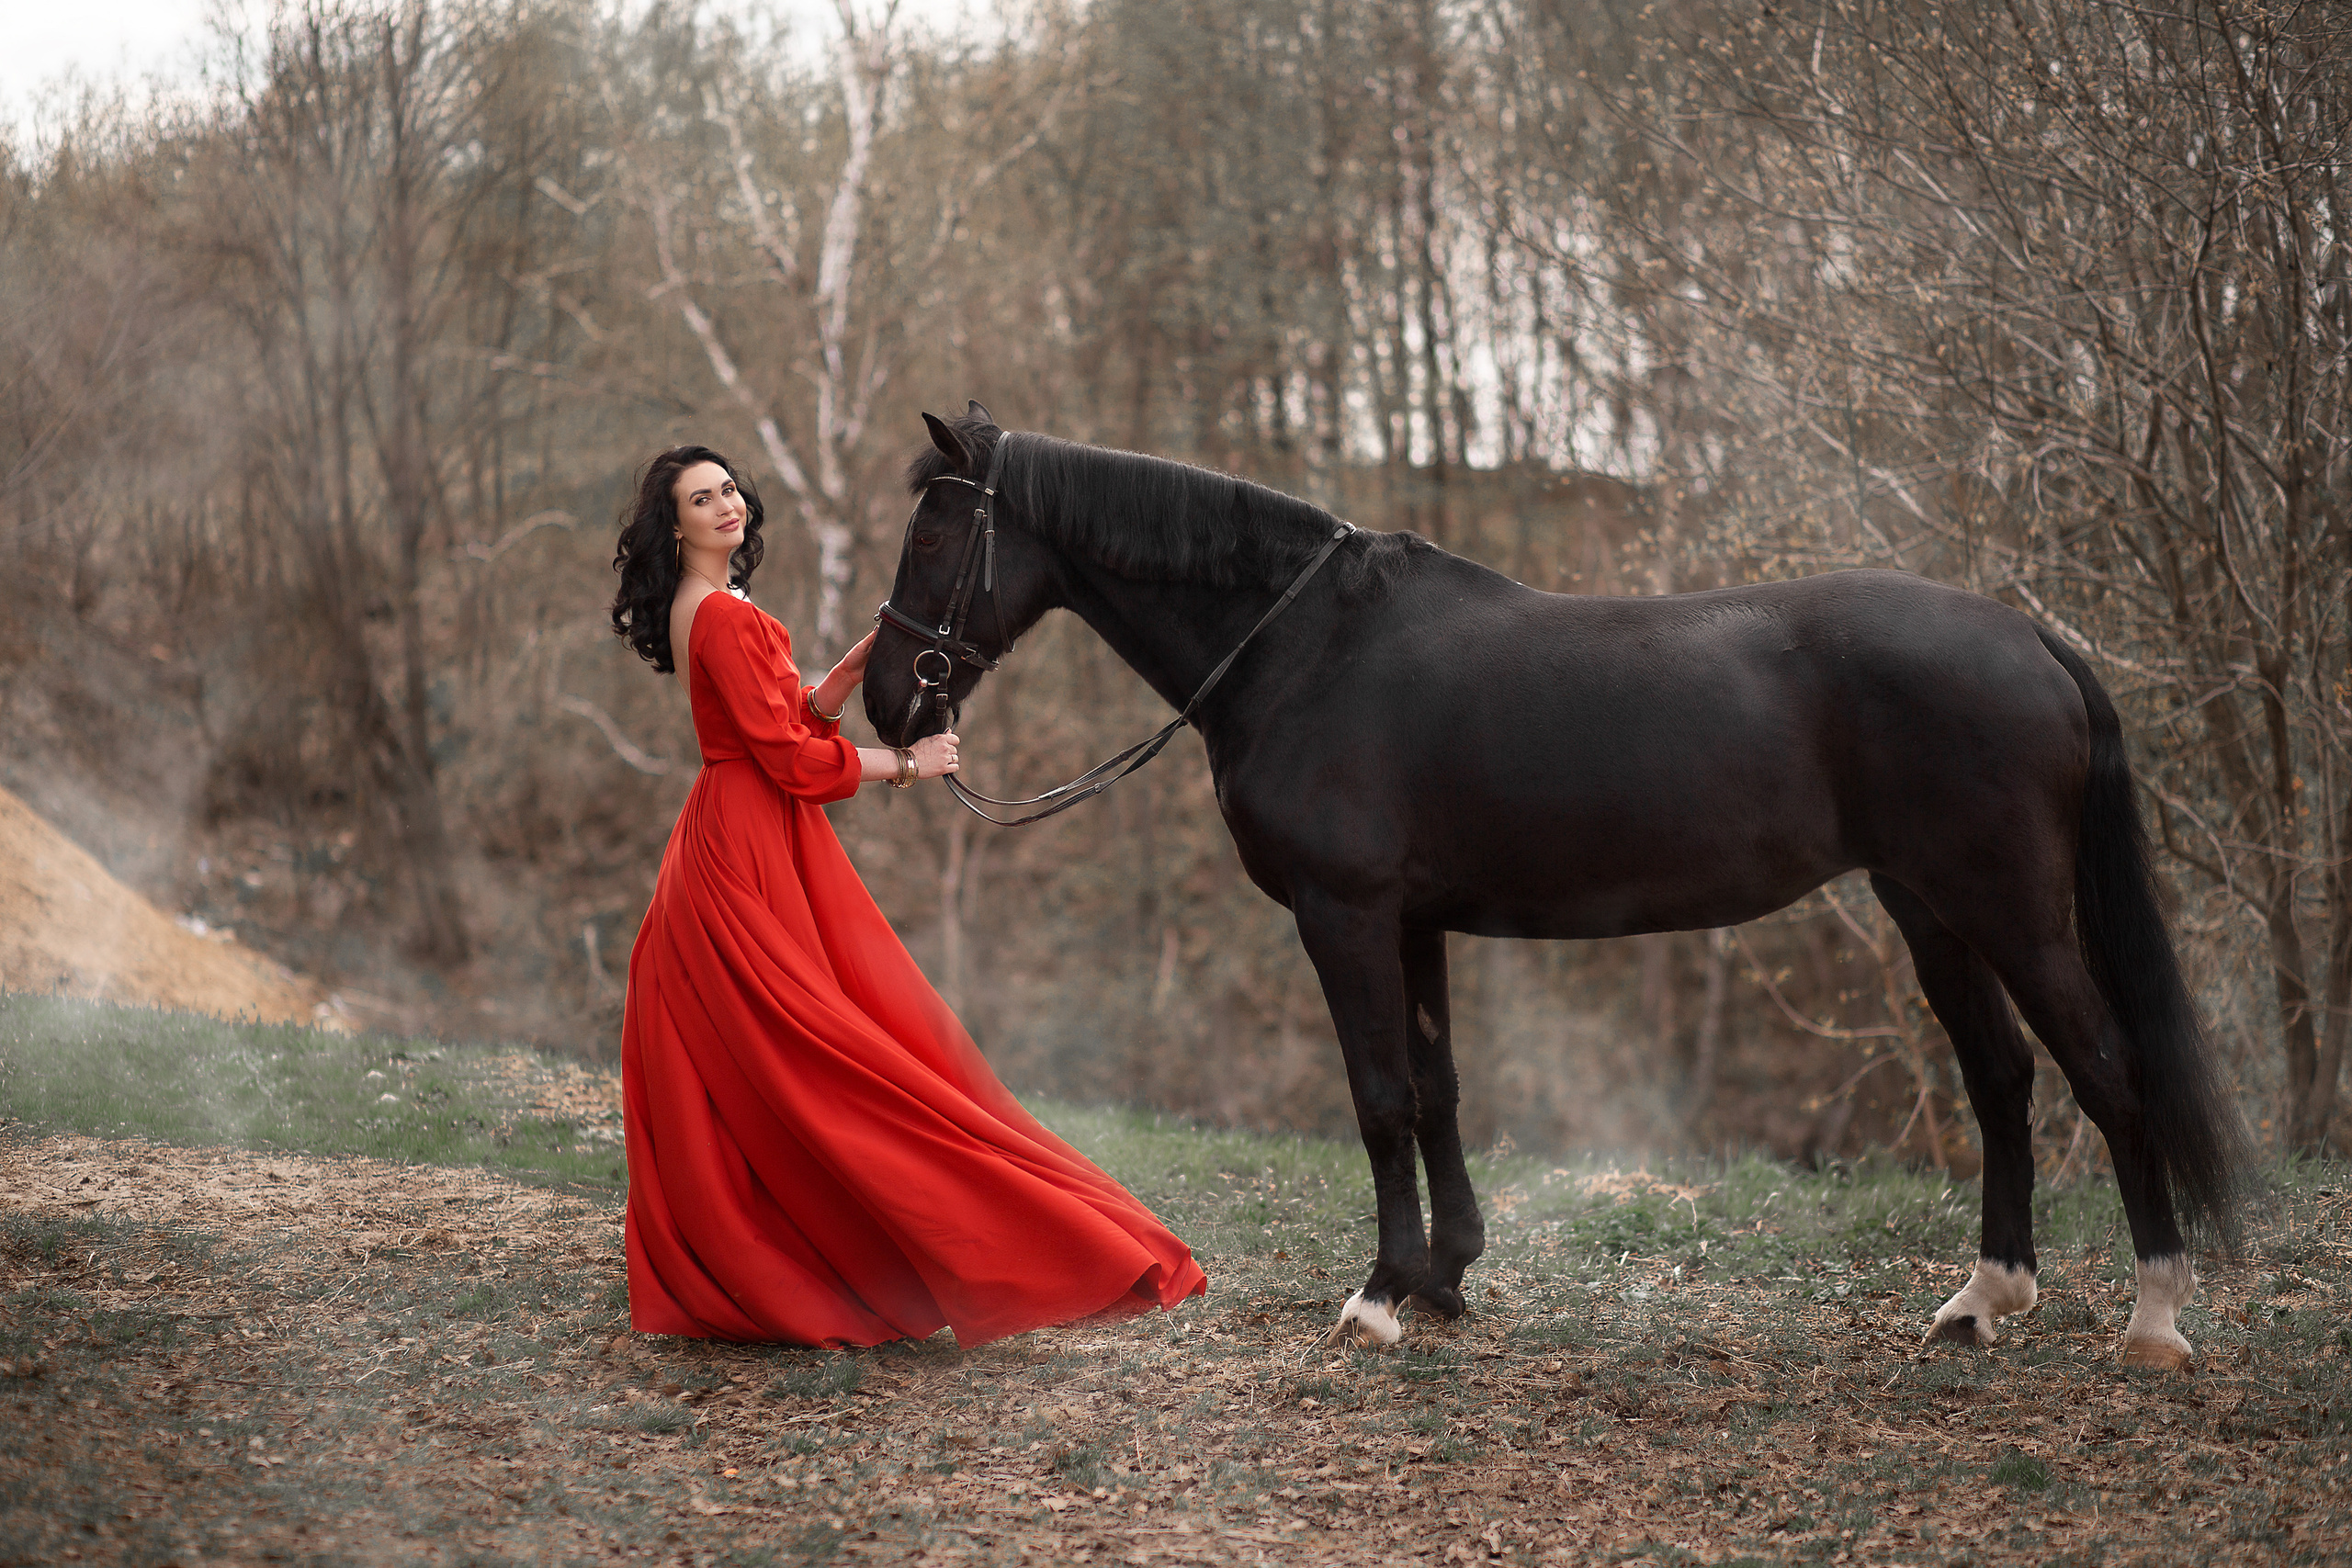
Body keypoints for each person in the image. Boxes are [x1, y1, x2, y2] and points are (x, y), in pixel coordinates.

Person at [606, 444, 1205, 1345]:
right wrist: (908, 765)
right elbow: (789, 763)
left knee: (805, 1059)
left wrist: (842, 679)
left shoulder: (717, 606)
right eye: (702, 499)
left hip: (748, 832)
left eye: (729, 488)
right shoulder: (721, 617)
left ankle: (819, 1241)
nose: (728, 505)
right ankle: (938, 1243)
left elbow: (778, 725)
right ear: (676, 524)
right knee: (831, 1064)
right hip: (748, 847)